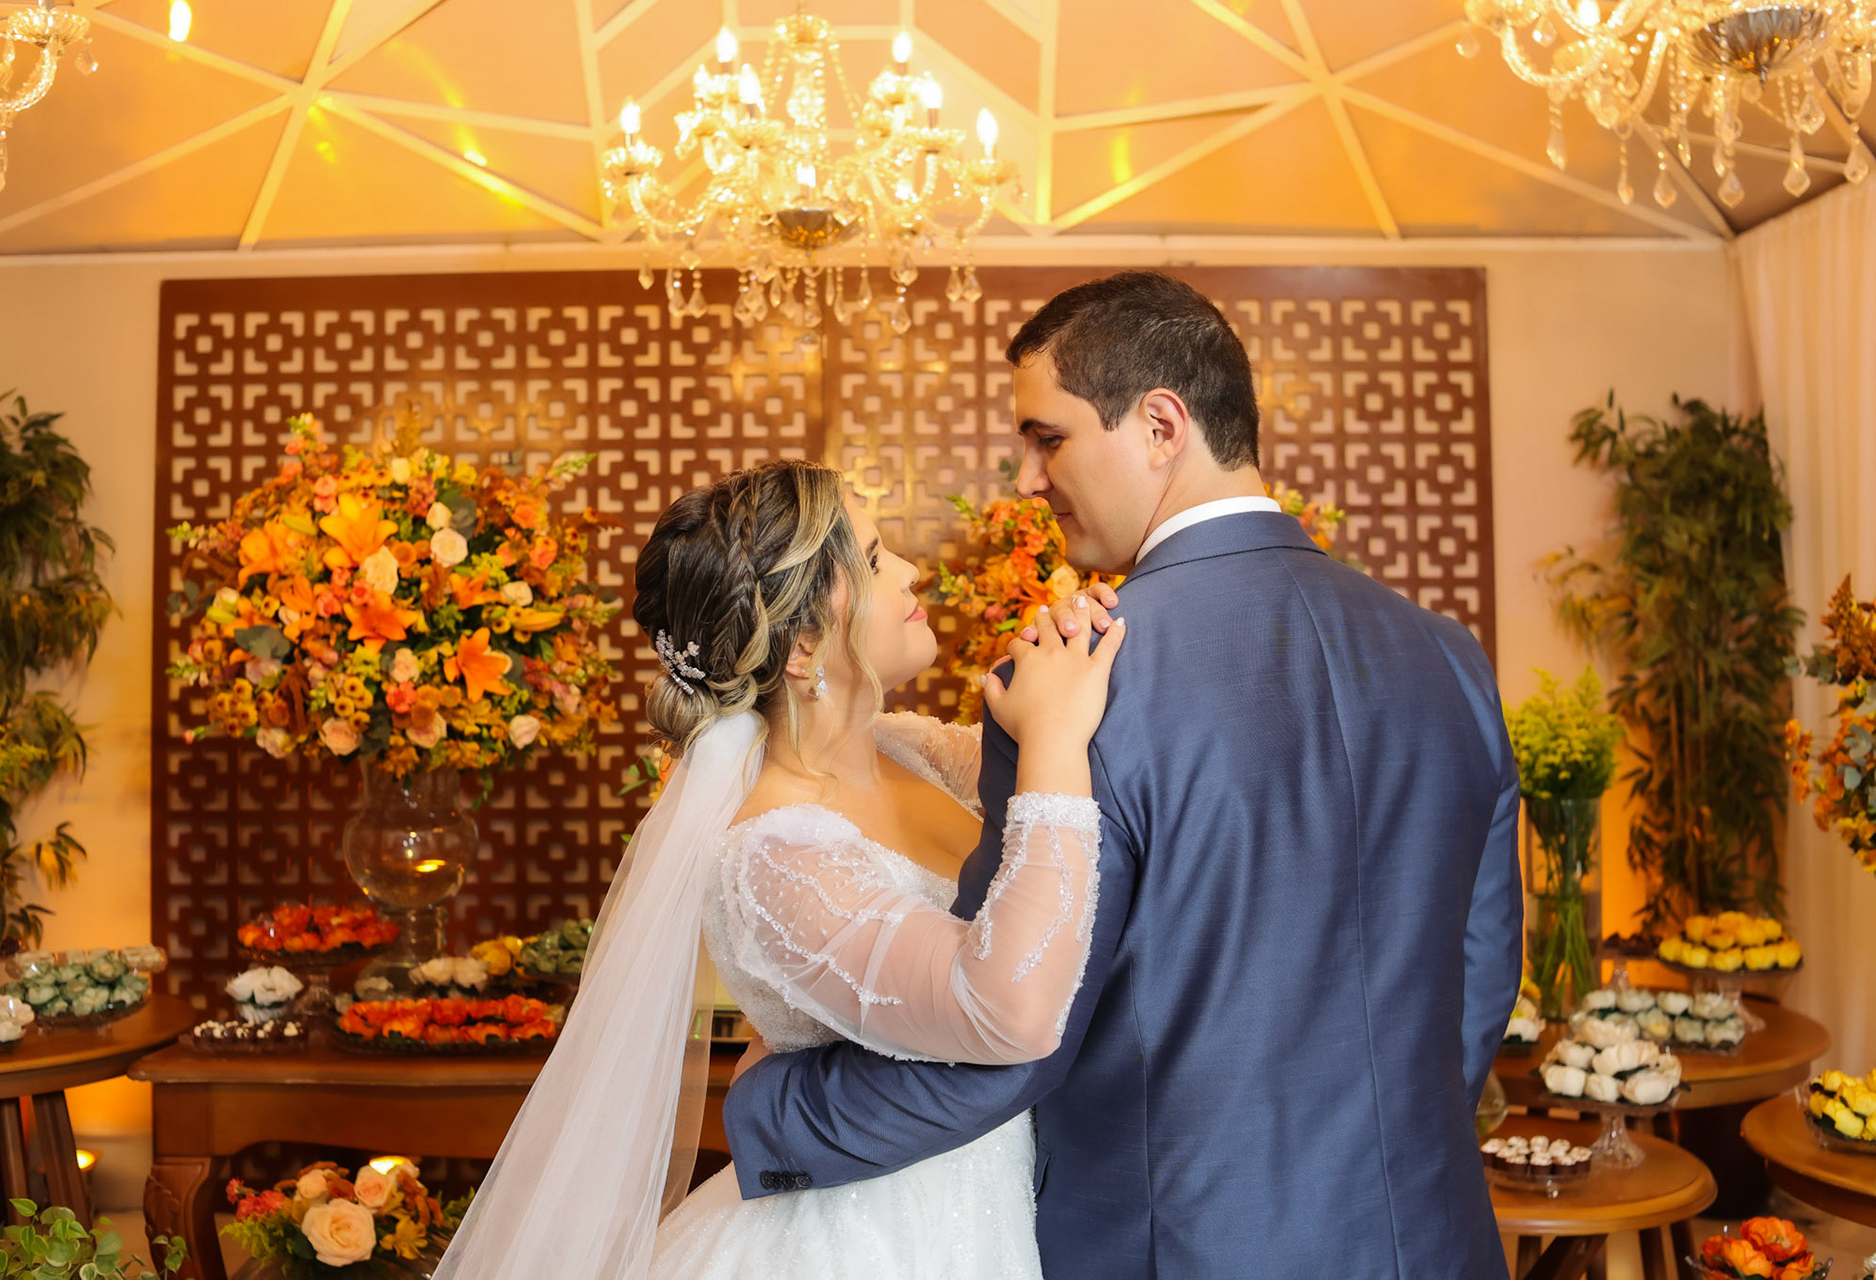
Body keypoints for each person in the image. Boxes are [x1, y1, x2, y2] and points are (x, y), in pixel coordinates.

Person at [722, 271, 1524, 1278]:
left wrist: (772, 1110)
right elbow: (1480, 978)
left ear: (1159, 426)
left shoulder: (1073, 685)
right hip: (1432, 1234)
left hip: (1182, 1248)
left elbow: (1012, 1037)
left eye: (1047, 438)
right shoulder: (1450, 657)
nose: (1027, 478)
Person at [432, 458, 1123, 1280]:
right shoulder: (773, 855)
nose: (913, 571)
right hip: (872, 1238)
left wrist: (1074, 651)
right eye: (874, 560)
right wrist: (1053, 740)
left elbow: (1088, 803)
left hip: (997, 1203)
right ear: (801, 646)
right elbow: (1009, 1010)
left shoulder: (911, 749)